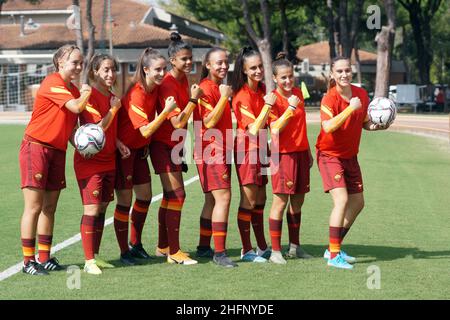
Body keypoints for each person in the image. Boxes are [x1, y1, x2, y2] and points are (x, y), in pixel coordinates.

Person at [19, 44, 92, 275]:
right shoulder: (53, 82)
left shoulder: (71, 89)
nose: (79, 67)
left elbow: (70, 127)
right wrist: (87, 92)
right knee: (34, 207)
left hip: (57, 152)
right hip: (36, 148)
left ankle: (45, 257)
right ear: (60, 63)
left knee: (49, 207)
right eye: (75, 63)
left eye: (81, 63)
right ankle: (28, 262)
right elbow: (77, 106)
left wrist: (81, 147)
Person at [316, 56, 389, 270]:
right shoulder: (329, 98)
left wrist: (376, 127)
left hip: (350, 157)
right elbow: (328, 127)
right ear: (332, 74)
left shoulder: (362, 95)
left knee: (358, 203)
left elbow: (364, 122)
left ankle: (333, 247)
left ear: (352, 71)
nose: (344, 74)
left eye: (347, 70)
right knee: (342, 200)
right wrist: (349, 108)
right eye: (339, 71)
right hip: (330, 156)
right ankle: (334, 256)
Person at [114, 48, 176, 266]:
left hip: (140, 151)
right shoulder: (137, 93)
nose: (162, 73)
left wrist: (147, 145)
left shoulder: (154, 90)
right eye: (157, 69)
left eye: (164, 69)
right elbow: (145, 130)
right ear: (146, 69)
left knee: (145, 196)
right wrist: (167, 111)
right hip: (124, 152)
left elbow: (146, 135)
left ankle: (136, 244)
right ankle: (124, 252)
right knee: (124, 201)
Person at [150, 32, 202, 265]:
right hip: (162, 145)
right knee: (177, 195)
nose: (189, 62)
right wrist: (193, 100)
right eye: (184, 59)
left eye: (190, 58)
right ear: (173, 61)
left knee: (170, 197)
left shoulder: (184, 80)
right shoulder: (169, 83)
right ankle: (175, 252)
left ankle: (163, 247)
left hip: (175, 145)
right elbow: (177, 122)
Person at [74, 53, 125, 275]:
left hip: (109, 161)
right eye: (105, 70)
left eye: (113, 69)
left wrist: (118, 142)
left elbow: (107, 132)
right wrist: (114, 109)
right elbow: (96, 130)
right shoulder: (90, 96)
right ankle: (88, 261)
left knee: (103, 208)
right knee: (92, 209)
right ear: (95, 71)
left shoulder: (112, 96)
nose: (110, 74)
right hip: (90, 164)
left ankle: (95, 255)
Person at [267, 52, 313, 264]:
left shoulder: (298, 93)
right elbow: (275, 128)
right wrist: (291, 108)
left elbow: (301, 125)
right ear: (275, 78)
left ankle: (294, 247)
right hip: (283, 155)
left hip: (301, 153)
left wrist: (308, 151)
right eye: (283, 77)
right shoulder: (272, 100)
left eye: (290, 76)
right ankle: (276, 251)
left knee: (298, 202)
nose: (287, 81)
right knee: (280, 202)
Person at [231, 46, 277, 263]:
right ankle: (246, 249)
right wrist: (268, 106)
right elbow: (253, 129)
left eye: (260, 66)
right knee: (248, 201)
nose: (258, 70)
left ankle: (261, 246)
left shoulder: (262, 89)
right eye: (253, 68)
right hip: (246, 152)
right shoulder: (241, 96)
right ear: (244, 70)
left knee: (261, 199)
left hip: (262, 151)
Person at [193, 47, 236, 267]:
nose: (223, 66)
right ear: (207, 65)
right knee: (223, 198)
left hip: (219, 149)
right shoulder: (205, 88)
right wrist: (225, 97)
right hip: (211, 151)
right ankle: (219, 253)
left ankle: (203, 247)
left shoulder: (218, 87)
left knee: (212, 199)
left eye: (225, 62)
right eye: (218, 62)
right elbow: (209, 122)